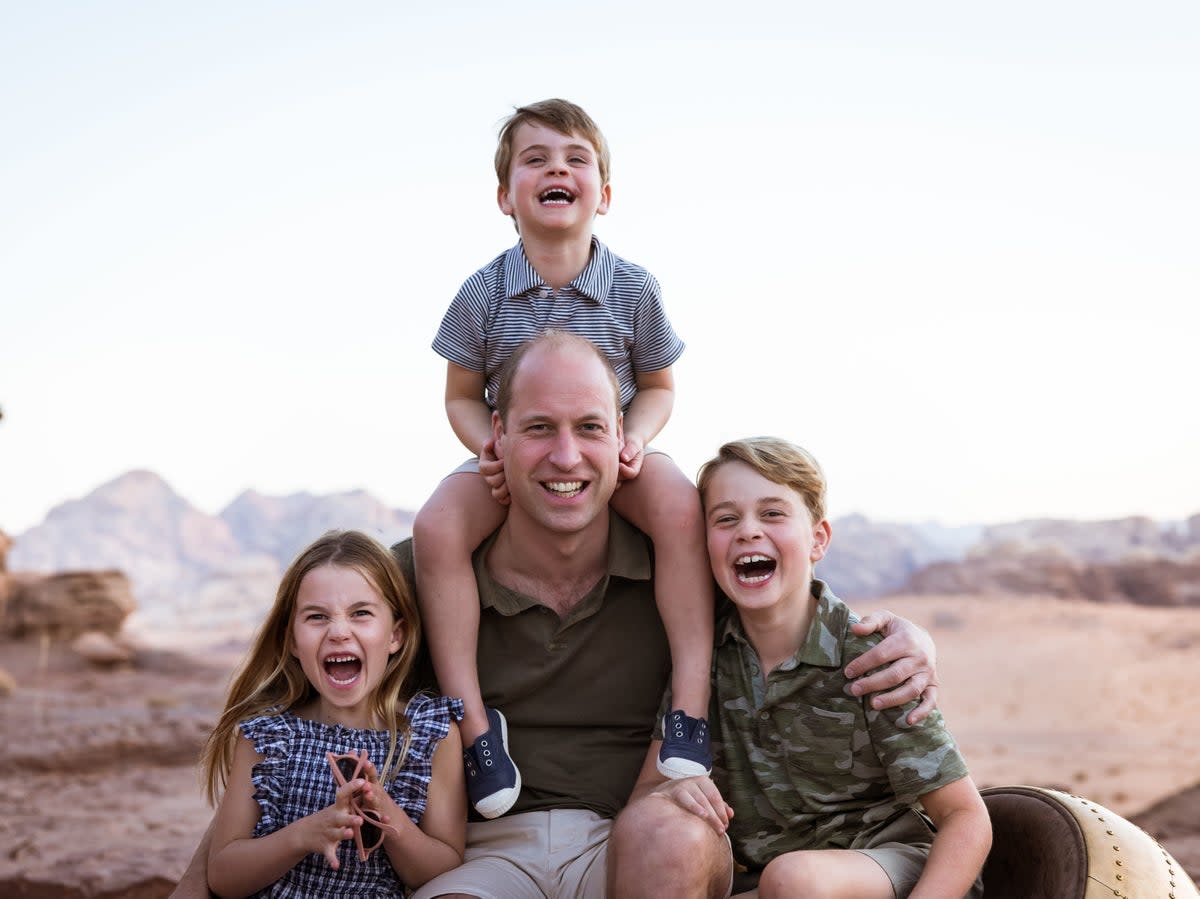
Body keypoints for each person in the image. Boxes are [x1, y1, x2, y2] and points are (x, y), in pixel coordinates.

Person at [170, 331, 940, 899]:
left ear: (623, 443)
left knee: (670, 832)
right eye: (539, 427)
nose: (565, 456)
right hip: (482, 855)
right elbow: (296, 718)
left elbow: (788, 601)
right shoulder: (425, 580)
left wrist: (914, 638)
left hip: (635, 841)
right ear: (496, 438)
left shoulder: (681, 570)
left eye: (589, 428)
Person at [412, 98, 715, 819]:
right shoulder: (483, 292)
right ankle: (477, 729)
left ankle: (691, 708)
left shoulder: (634, 288)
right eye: (536, 159)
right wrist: (483, 444)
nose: (557, 168)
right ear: (504, 195)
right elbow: (458, 395)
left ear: (603, 195)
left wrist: (635, 435)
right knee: (435, 528)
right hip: (517, 458)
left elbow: (661, 384)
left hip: (612, 453)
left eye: (576, 158)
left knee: (678, 504)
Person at [644, 438, 992, 898]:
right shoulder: (702, 657)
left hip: (891, 868)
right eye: (726, 519)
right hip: (771, 883)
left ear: (818, 539)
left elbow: (966, 818)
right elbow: (648, 795)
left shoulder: (873, 659)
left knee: (796, 878)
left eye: (772, 513)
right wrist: (672, 793)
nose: (748, 531)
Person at [199, 530, 467, 897]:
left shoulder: (429, 735)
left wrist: (383, 813)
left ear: (395, 635)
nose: (339, 631)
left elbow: (439, 870)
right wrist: (303, 835)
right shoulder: (269, 736)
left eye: (361, 614)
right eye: (317, 617)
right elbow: (223, 877)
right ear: (292, 640)